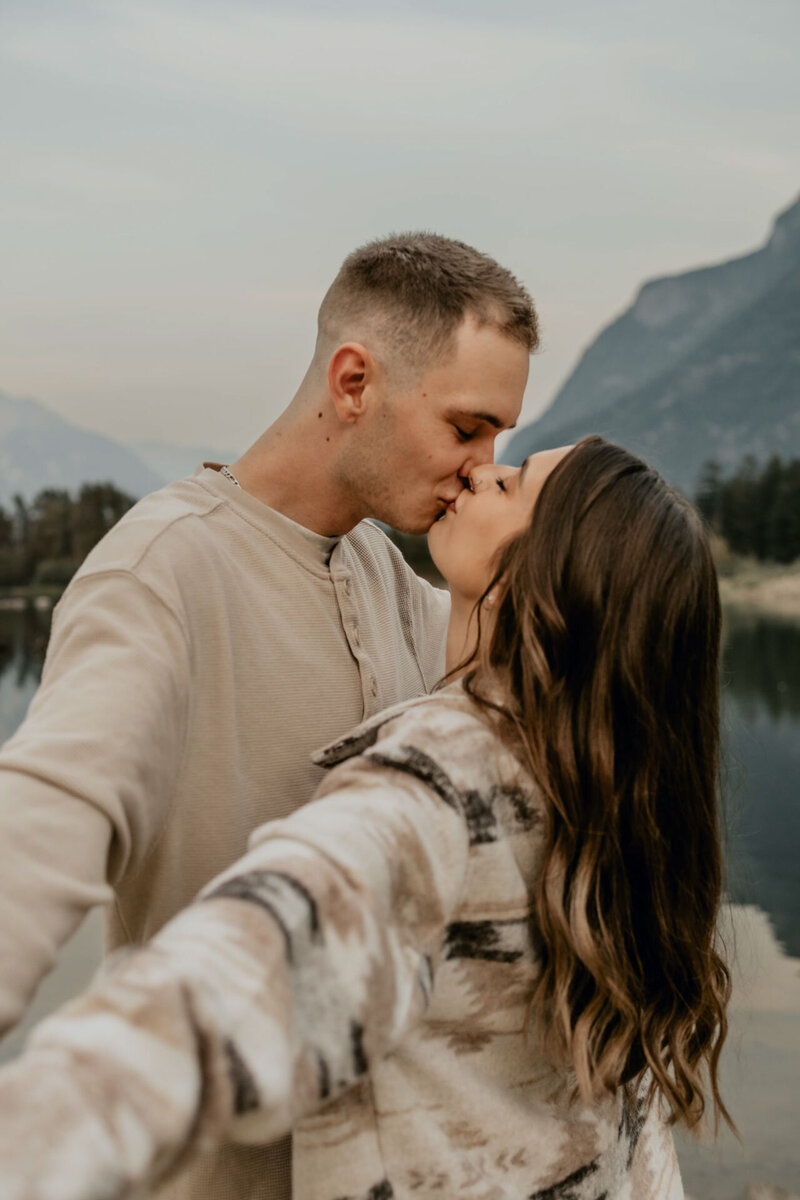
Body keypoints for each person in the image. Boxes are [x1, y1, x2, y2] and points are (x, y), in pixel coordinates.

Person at [0, 436, 731, 1200]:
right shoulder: (609, 798)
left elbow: (258, 962)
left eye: (512, 484)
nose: (482, 468)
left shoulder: (442, 780)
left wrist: (37, 1139)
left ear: (552, 575)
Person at [0, 233, 537, 1200]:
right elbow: (38, 825)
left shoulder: (385, 570)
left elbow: (496, 722)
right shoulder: (160, 572)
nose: (479, 469)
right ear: (354, 380)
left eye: (499, 440)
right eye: (467, 428)